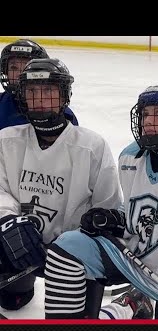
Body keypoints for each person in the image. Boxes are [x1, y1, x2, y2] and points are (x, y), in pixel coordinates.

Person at [42, 83, 158, 320]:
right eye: (146, 114)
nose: (148, 121)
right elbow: (134, 213)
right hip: (132, 262)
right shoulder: (130, 157)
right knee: (68, 246)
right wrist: (114, 219)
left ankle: (133, 305)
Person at [0, 58, 121, 312]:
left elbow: (108, 210)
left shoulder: (91, 147)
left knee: (76, 329)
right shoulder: (6, 140)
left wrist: (90, 229)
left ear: (64, 95)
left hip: (70, 259)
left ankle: (127, 307)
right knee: (12, 302)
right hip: (22, 249)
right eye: (32, 91)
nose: (40, 98)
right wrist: (8, 221)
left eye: (48, 91)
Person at [1, 39, 78, 130]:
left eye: (27, 66)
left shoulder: (63, 116)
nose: (20, 74)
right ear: (5, 71)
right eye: (13, 68)